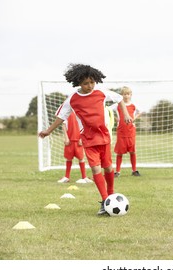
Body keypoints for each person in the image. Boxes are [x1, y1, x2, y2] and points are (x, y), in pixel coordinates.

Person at [38, 64, 132, 215]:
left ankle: (111, 193)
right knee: (95, 168)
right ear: (78, 83)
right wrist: (48, 131)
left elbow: (120, 99)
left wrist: (126, 115)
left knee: (108, 167)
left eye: (92, 82)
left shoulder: (101, 92)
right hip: (88, 140)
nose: (89, 86)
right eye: (85, 83)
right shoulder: (73, 100)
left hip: (104, 137)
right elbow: (61, 117)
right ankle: (104, 200)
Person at [112, 86, 142, 177]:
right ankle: (117, 171)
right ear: (121, 95)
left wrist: (134, 118)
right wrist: (116, 118)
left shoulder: (133, 105)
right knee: (119, 152)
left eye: (128, 94)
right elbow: (107, 110)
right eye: (124, 94)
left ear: (131, 95)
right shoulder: (117, 105)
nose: (126, 96)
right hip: (121, 131)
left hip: (131, 131)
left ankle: (134, 170)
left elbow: (141, 111)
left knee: (132, 151)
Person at [58, 111, 93, 184]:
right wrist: (66, 138)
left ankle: (84, 177)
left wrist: (81, 138)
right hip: (70, 141)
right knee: (69, 158)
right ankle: (66, 177)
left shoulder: (80, 112)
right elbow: (64, 126)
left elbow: (84, 126)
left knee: (81, 158)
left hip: (78, 141)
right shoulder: (67, 112)